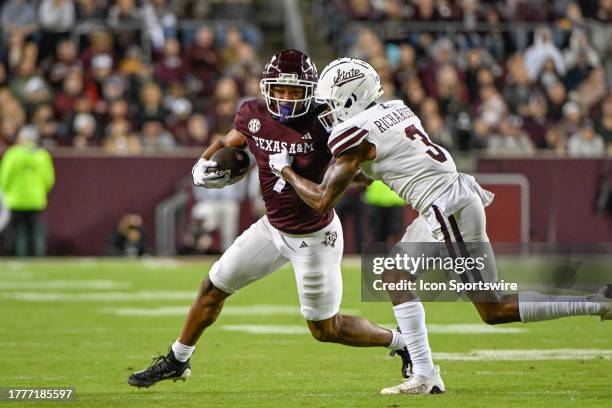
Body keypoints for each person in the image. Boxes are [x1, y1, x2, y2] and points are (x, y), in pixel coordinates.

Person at [273, 58, 612, 395]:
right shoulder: (395, 110)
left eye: (332, 102)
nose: (328, 110)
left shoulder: (356, 133)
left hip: (447, 209)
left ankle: (599, 302)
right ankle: (425, 375)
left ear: (350, 99)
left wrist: (285, 171)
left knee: (493, 310)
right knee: (396, 274)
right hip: (450, 200)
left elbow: (321, 201)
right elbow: (373, 170)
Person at [127, 50, 410, 388]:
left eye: (295, 92)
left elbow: (345, 181)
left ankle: (400, 341)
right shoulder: (253, 113)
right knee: (212, 287)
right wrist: (202, 165)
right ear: (267, 88)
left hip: (314, 237)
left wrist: (298, 171)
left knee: (325, 329)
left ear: (311, 92)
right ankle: (178, 359)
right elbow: (229, 141)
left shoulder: (328, 122)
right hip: (272, 228)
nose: (287, 100)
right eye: (280, 91)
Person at [0, 126, 55, 256]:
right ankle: (37, 256)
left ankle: (16, 256)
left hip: (15, 199)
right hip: (36, 200)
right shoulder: (42, 155)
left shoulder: (13, 154)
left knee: (15, 231)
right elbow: (49, 180)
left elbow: (4, 178)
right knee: (34, 231)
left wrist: (8, 192)